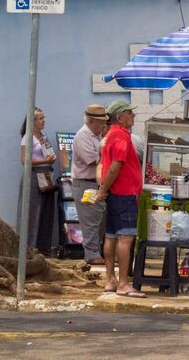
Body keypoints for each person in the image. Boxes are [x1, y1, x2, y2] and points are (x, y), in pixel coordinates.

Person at [98, 100, 144, 298]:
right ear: (120, 117)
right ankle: (123, 283)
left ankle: (111, 280)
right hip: (124, 194)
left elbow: (105, 166)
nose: (133, 116)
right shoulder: (122, 137)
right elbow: (115, 167)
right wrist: (102, 190)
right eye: (129, 113)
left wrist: (104, 189)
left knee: (111, 236)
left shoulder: (109, 136)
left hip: (116, 194)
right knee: (125, 238)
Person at [71, 104, 109, 265]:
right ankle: (91, 254)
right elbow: (93, 160)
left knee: (98, 219)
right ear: (91, 121)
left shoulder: (97, 136)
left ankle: (96, 251)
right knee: (90, 221)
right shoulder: (83, 136)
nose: (103, 125)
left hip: (94, 183)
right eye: (100, 123)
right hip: (85, 183)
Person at [18, 107, 58, 256]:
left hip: (47, 174)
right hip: (35, 175)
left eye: (43, 118)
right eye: (40, 118)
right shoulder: (27, 137)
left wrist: (51, 159)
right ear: (32, 122)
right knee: (33, 210)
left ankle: (44, 245)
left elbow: (48, 153)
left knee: (47, 210)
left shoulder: (43, 136)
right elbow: (24, 160)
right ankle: (29, 246)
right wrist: (44, 160)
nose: (43, 121)